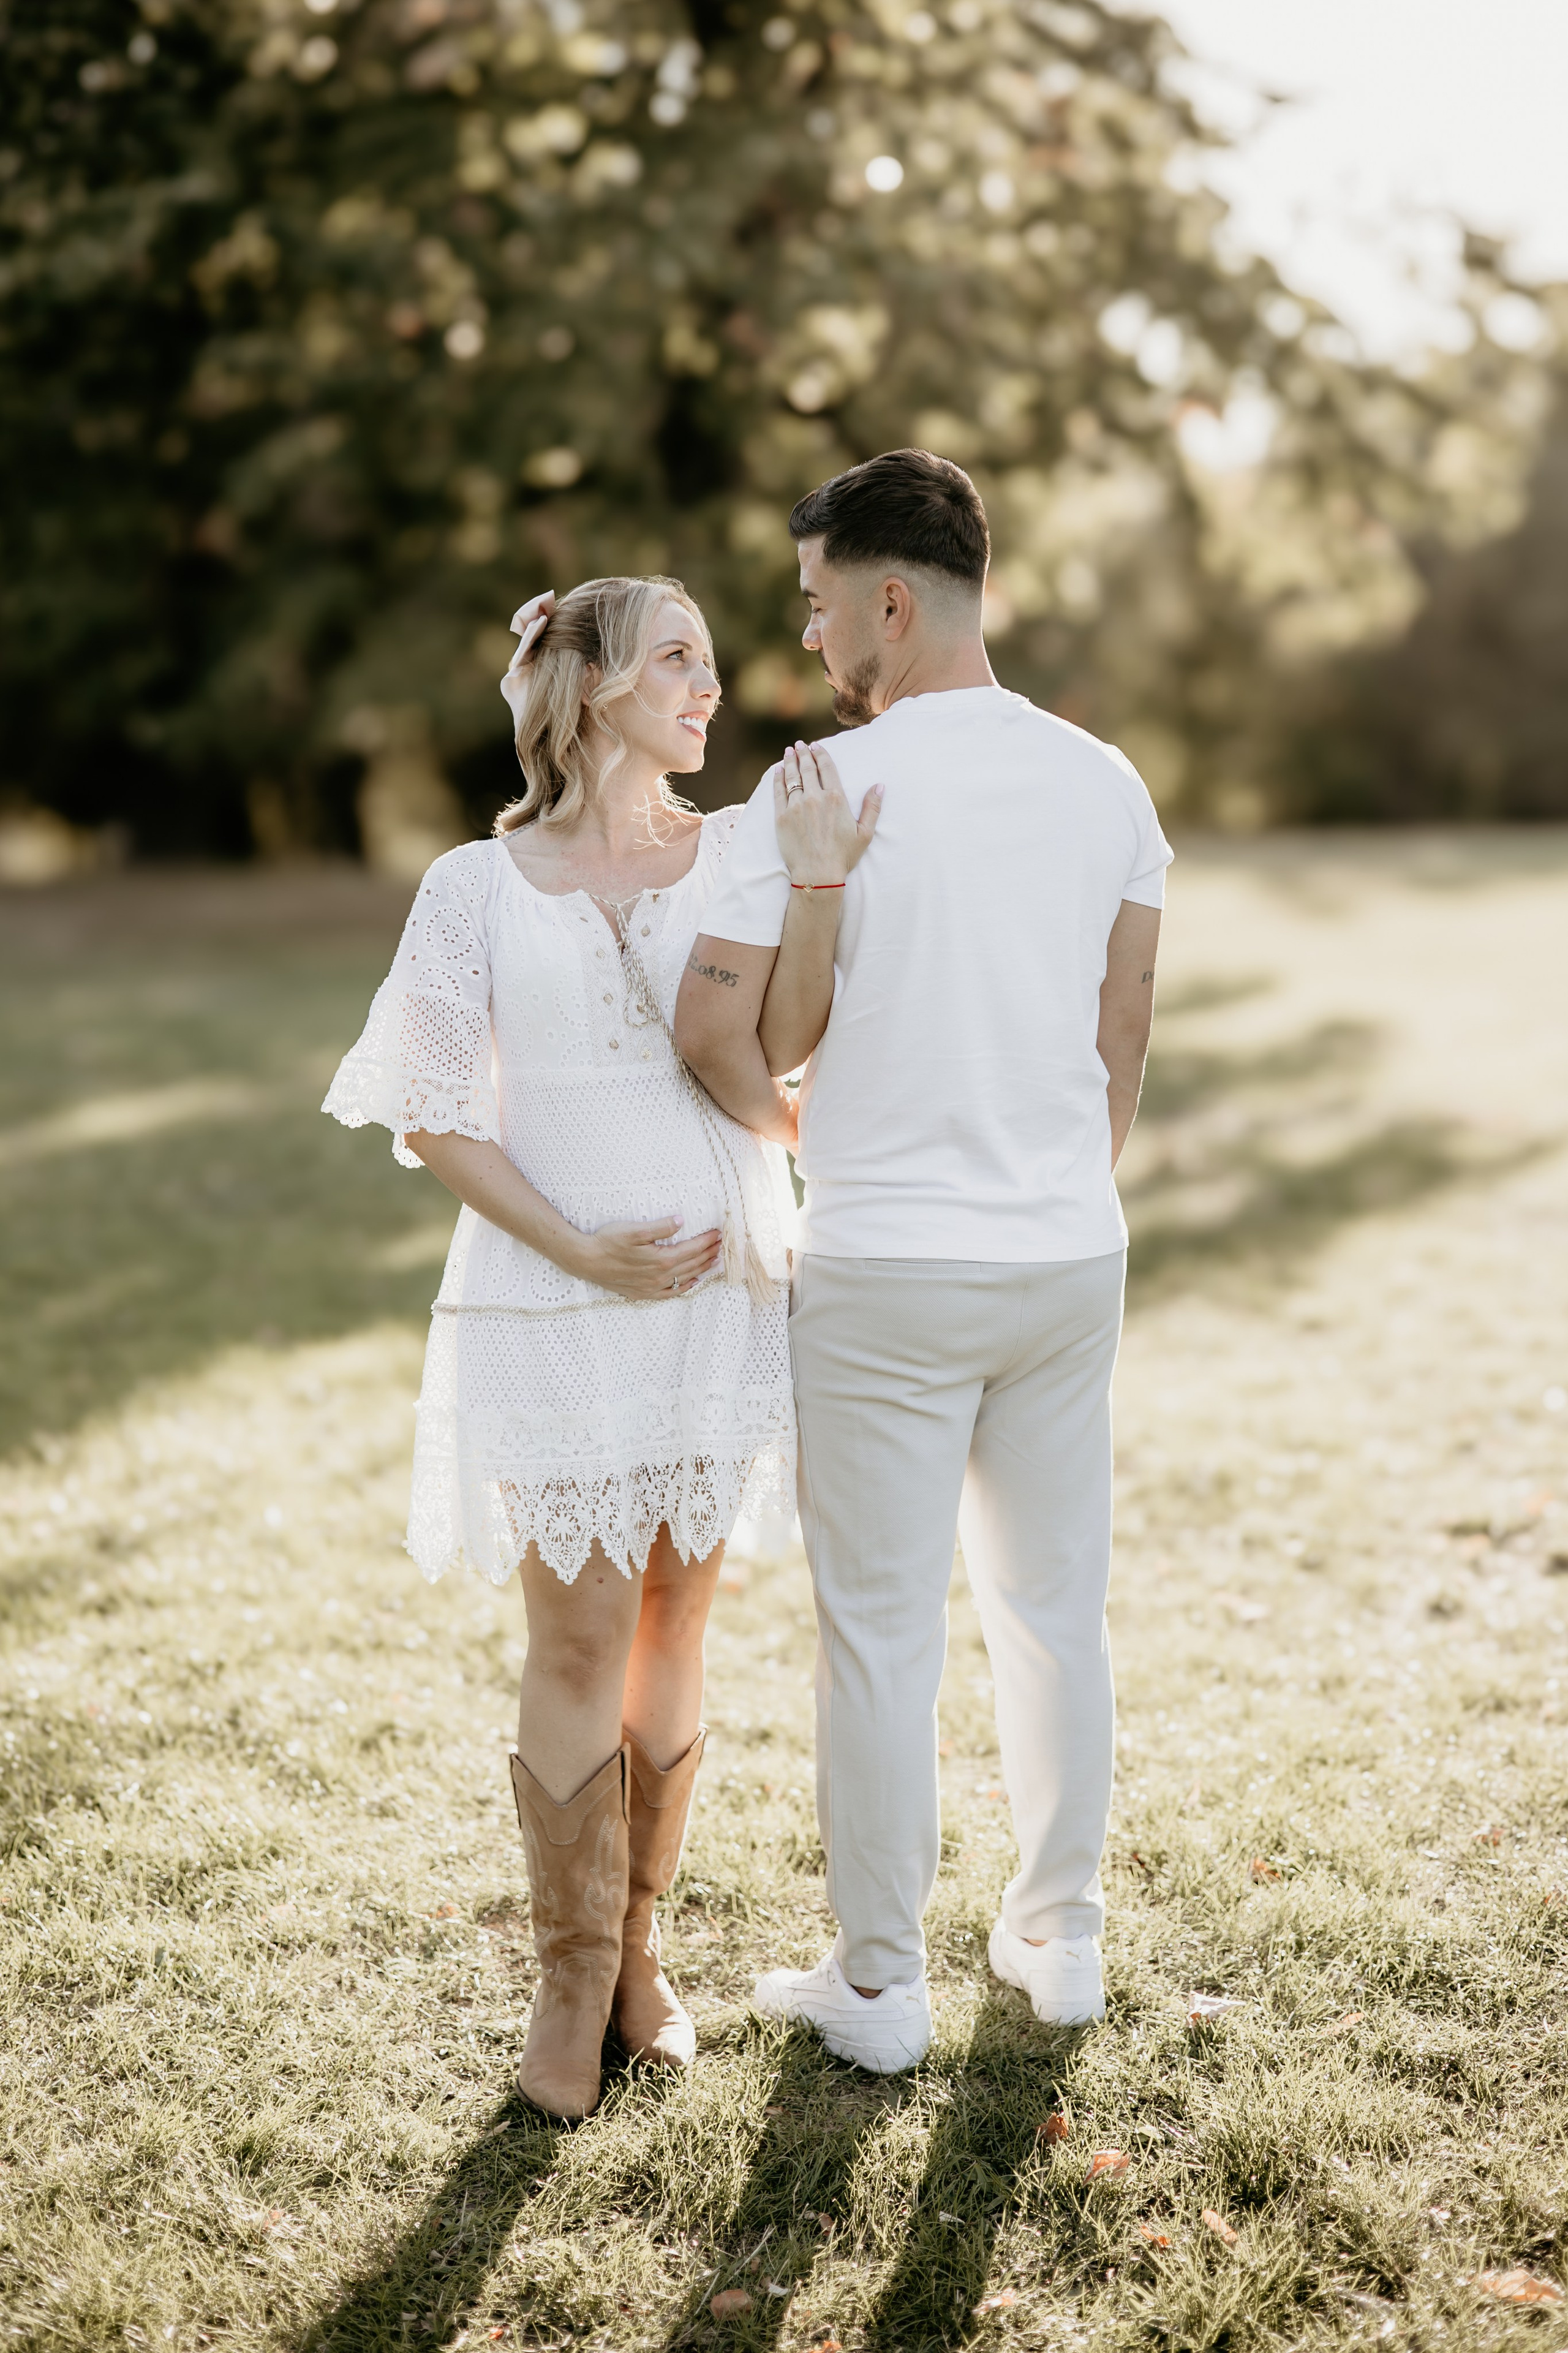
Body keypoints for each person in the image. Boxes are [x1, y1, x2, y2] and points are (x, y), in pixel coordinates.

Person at [323, 575, 868, 2120]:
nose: (711, 686)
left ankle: (638, 1951)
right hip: (556, 1297)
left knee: (675, 1627)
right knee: (573, 1634)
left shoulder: (750, 845)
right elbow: (431, 1114)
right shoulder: (471, 887)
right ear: (592, 686)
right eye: (676, 660)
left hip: (721, 1293)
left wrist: (821, 889)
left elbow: (785, 1046)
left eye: (709, 660)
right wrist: (577, 1247)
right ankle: (565, 1980)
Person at [674, 451, 1171, 2074]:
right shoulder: (1108, 783)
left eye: (821, 609)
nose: (813, 645)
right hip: (1064, 1258)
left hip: (886, 1260)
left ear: (893, 598)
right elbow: (1124, 1042)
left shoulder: (811, 793)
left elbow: (753, 1037)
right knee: (1055, 1608)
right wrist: (1050, 1201)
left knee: (881, 1631)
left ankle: (882, 1985)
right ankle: (1061, 1934)